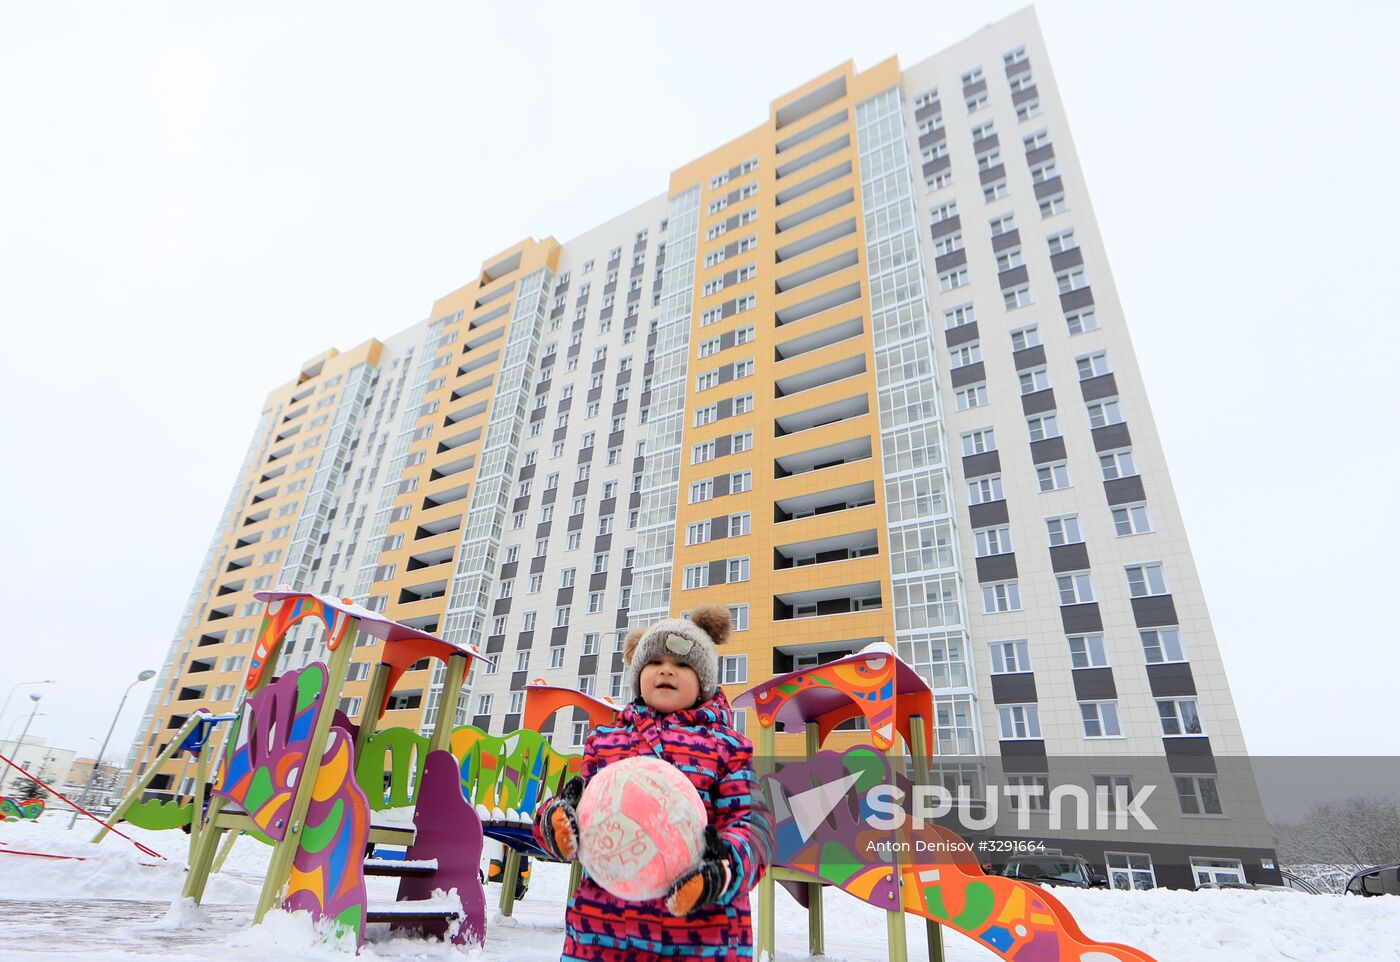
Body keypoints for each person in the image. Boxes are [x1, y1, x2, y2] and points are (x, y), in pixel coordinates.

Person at [532, 604, 771, 962]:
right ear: (639, 675)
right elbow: (579, 806)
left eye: (682, 664)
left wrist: (723, 868)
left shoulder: (728, 749)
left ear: (705, 681)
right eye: (655, 662)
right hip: (603, 933)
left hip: (702, 935)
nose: (666, 670)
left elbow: (754, 828)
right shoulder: (607, 741)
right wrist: (555, 821)